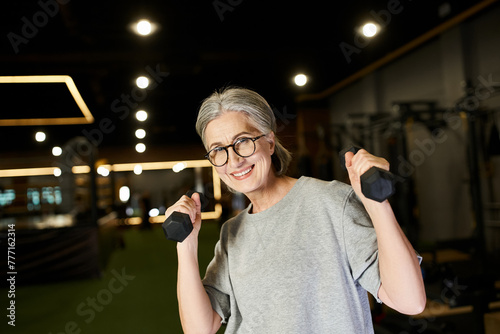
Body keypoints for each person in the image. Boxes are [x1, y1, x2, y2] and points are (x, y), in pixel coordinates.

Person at [166, 87, 426, 333]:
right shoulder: (231, 233)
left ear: (269, 141)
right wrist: (186, 246)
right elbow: (199, 328)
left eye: (243, 141)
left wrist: (375, 204)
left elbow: (409, 301)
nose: (233, 160)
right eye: (218, 150)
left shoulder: (331, 202)